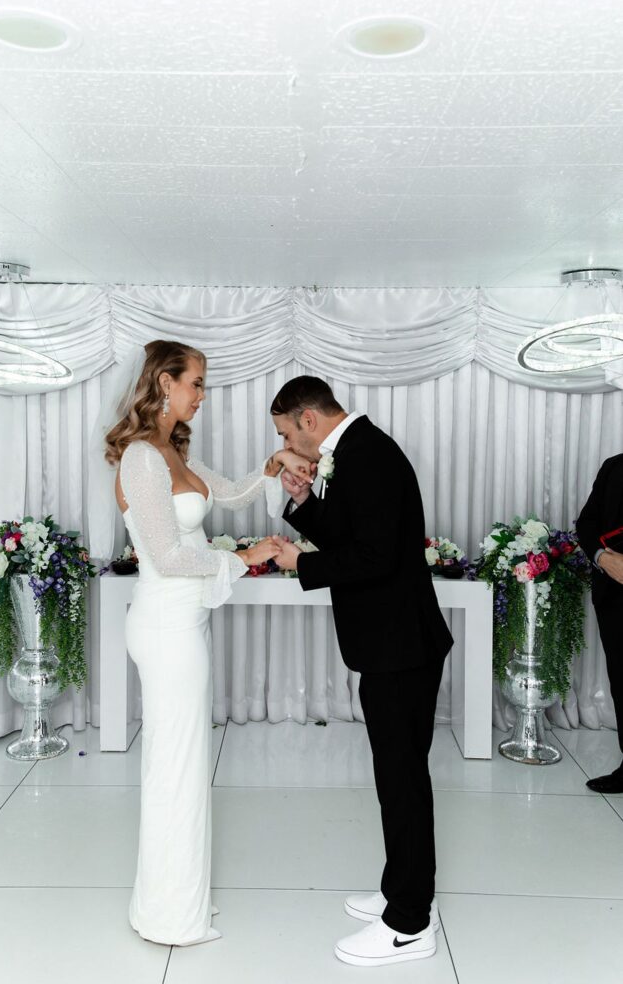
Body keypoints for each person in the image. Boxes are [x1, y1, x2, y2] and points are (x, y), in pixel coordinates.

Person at [103, 340, 313, 946]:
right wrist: (243, 557)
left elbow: (231, 493)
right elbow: (167, 555)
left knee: (184, 765)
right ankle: (170, 915)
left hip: (181, 622)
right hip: (167, 627)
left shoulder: (171, 451)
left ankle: (174, 901)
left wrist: (273, 469)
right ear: (164, 382)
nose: (203, 394)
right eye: (196, 382)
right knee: (176, 767)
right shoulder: (142, 458)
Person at [270, 376, 453, 968]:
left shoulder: (368, 455)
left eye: (285, 434)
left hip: (401, 646)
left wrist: (302, 562)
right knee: (395, 776)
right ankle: (399, 888)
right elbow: (354, 533)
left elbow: (374, 558)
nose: (290, 446)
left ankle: (408, 922)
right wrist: (303, 502)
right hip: (393, 644)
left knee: (402, 780)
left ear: (307, 419)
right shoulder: (357, 451)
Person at [576, 455, 623, 794]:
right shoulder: (614, 466)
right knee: (622, 681)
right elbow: (587, 523)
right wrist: (603, 558)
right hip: (615, 596)